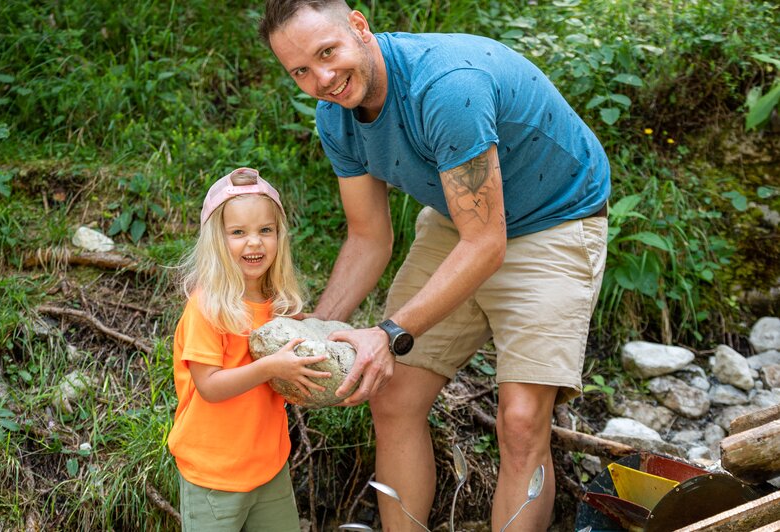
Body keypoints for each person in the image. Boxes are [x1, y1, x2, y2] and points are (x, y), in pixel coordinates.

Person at [259, 2, 611, 530]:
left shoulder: (445, 86)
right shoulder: (336, 117)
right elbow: (369, 236)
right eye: (301, 71)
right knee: (394, 394)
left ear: (359, 26)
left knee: (519, 421)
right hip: (461, 219)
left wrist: (389, 331)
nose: (322, 79)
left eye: (327, 53)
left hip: (553, 220)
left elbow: (486, 246)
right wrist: (319, 324)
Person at [167, 167, 332, 531]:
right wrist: (272, 367)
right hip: (214, 473)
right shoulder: (207, 307)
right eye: (238, 233)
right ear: (217, 240)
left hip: (269, 467)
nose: (254, 242)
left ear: (279, 236)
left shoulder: (279, 305)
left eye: (265, 231)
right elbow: (209, 386)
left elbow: (299, 366)